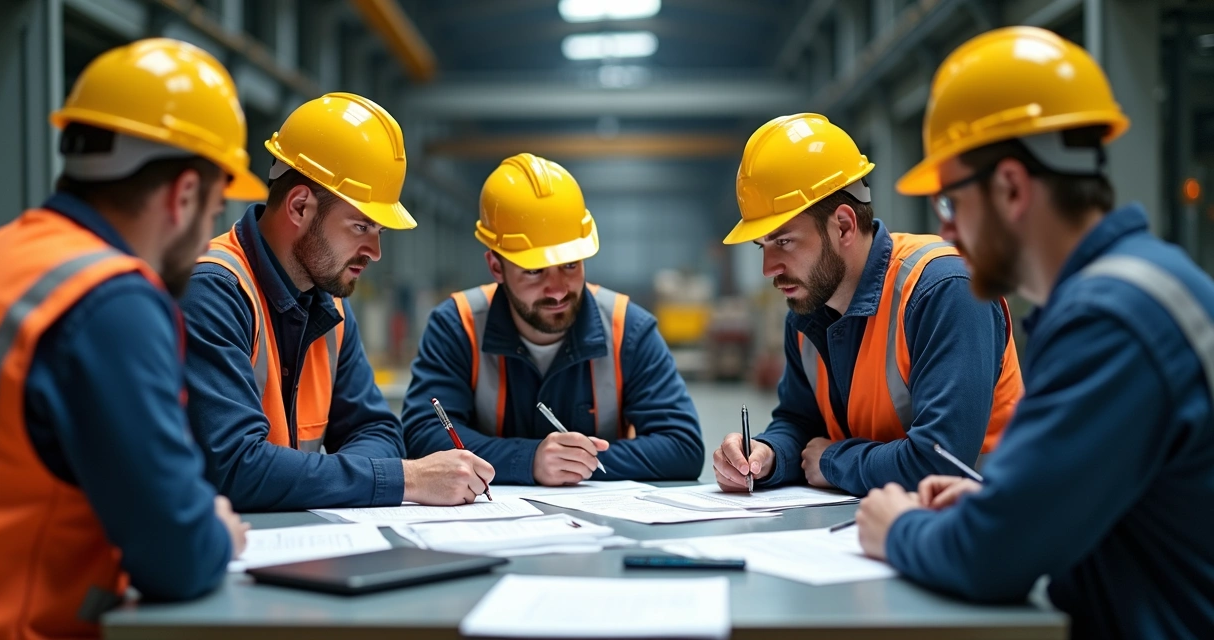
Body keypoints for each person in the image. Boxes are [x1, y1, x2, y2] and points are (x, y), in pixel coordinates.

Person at [855, 26, 1214, 638]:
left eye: (950, 203)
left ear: (1012, 188)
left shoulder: (1112, 320)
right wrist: (998, 495)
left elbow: (990, 559)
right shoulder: (1140, 287)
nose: (949, 231)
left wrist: (898, 529)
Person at [0, 38, 258, 638]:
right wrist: (215, 528)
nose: (208, 240)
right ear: (184, 195)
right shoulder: (114, 303)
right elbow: (176, 554)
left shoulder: (18, 255)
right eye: (216, 210)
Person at [181, 93, 494, 511]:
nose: (375, 251)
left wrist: (319, 479)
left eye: (378, 231)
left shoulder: (331, 309)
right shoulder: (214, 291)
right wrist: (406, 478)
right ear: (299, 206)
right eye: (361, 226)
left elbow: (378, 430)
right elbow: (237, 467)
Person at [712, 114, 1023, 497]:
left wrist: (833, 461)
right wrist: (768, 455)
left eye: (785, 242)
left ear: (842, 226)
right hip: (876, 527)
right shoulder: (809, 308)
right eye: (763, 246)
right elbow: (800, 422)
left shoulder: (944, 290)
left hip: (984, 531)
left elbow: (942, 462)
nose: (768, 269)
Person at [401, 153, 703, 485]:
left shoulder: (628, 329)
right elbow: (424, 436)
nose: (558, 290)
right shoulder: (457, 325)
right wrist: (528, 461)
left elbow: (682, 447)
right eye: (534, 271)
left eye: (571, 265)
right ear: (496, 267)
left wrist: (571, 463)